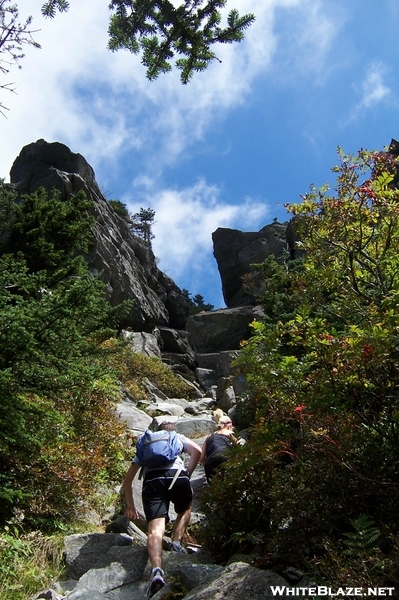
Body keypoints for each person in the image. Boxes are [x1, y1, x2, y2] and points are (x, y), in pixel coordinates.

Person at [124, 421, 202, 598]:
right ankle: (176, 542)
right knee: (185, 508)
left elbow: (128, 480)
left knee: (155, 531)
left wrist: (131, 505)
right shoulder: (177, 437)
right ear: (172, 432)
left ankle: (157, 570)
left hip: (153, 482)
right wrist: (187, 474)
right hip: (177, 476)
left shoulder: (147, 443)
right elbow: (197, 451)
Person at [199, 414, 238, 482]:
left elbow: (201, 459)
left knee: (214, 487)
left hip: (209, 463)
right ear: (229, 425)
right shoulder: (229, 432)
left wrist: (208, 467)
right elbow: (239, 447)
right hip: (224, 457)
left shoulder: (209, 436)